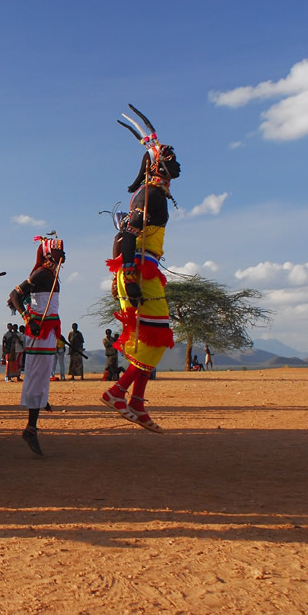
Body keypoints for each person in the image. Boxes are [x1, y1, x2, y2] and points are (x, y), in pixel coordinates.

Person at [102, 105, 180, 432]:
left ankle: (136, 403)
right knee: (156, 338)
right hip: (139, 273)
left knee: (147, 338)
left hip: (140, 270)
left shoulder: (152, 195)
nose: (178, 162)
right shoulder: (149, 196)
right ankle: (119, 392)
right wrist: (130, 278)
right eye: (171, 157)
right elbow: (125, 236)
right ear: (158, 163)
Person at [8, 235, 65, 456]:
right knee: (36, 376)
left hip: (48, 332)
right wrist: (28, 319)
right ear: (50, 253)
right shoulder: (41, 273)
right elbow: (14, 295)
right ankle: (30, 427)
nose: (64, 255)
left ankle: (38, 411)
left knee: (41, 375)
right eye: (60, 251)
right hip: (39, 332)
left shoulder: (53, 275)